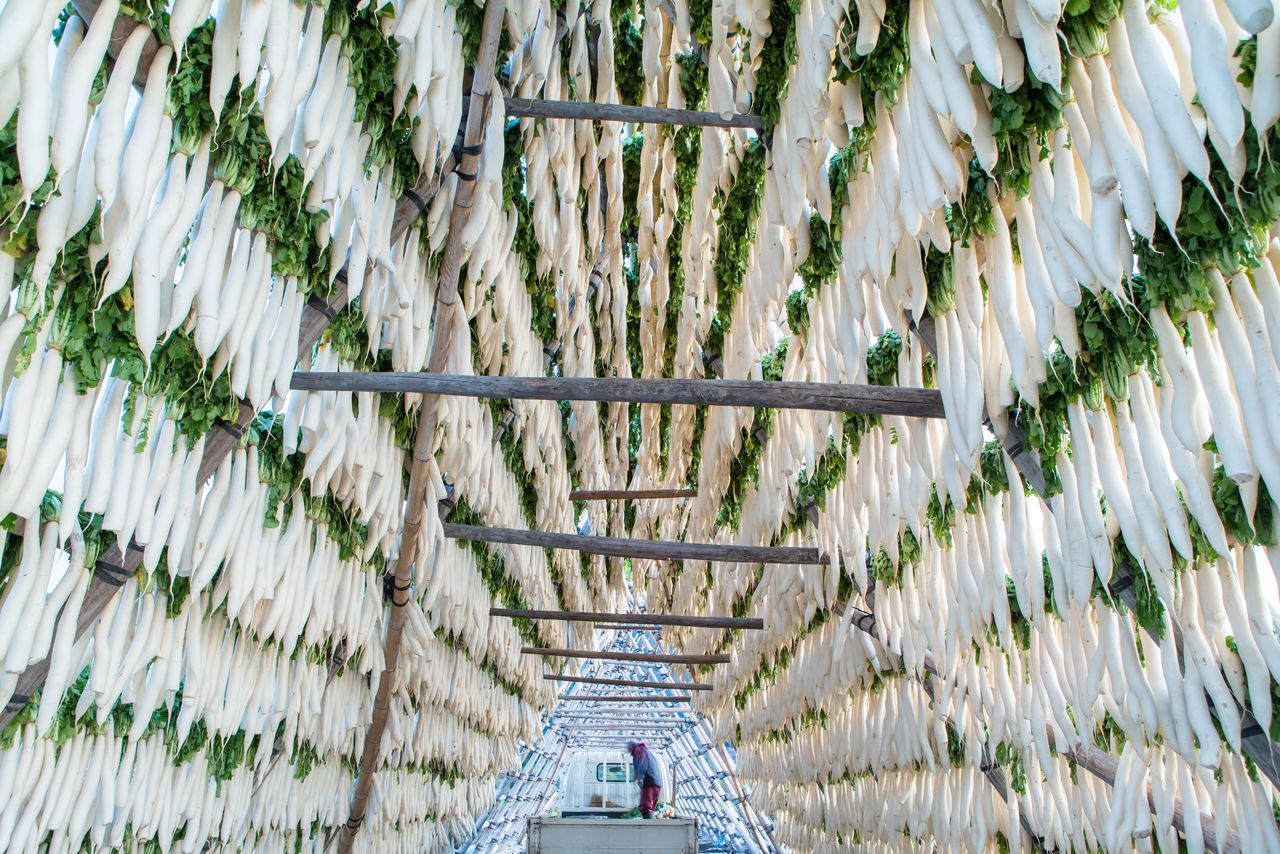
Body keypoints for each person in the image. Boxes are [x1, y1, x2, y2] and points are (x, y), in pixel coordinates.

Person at [626, 740, 662, 819]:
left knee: (646, 807)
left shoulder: (638, 750)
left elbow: (641, 763)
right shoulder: (647, 751)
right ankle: (651, 823)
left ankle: (647, 826)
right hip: (656, 783)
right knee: (651, 807)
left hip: (649, 782)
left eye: (628, 748)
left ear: (631, 747)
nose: (627, 750)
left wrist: (640, 777)